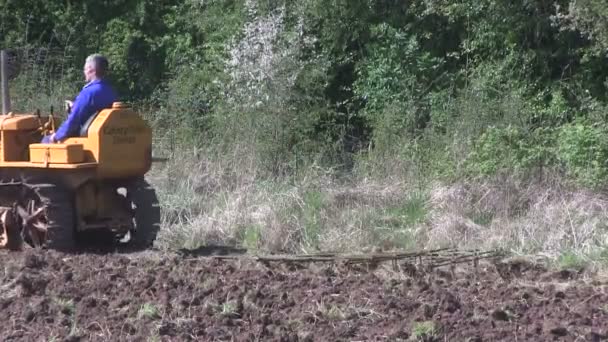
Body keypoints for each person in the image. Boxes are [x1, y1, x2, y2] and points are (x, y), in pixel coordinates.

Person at [42, 54, 117, 143]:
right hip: (105, 138)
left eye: (85, 69)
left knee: (45, 140)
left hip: (85, 139)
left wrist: (56, 136)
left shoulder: (88, 93)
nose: (84, 72)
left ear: (91, 70)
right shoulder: (112, 92)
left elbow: (73, 121)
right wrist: (75, 106)